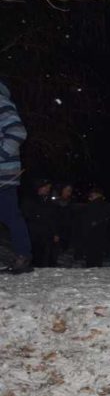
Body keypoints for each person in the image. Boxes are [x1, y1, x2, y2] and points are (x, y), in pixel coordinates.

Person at [0, 79, 31, 274]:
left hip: (4, 174)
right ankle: (21, 255)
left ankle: (23, 256)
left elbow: (18, 131)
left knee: (10, 215)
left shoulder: (1, 102)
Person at [21, 177, 60, 267]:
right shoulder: (30, 198)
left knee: (46, 258)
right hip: (33, 234)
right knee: (34, 256)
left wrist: (55, 233)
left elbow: (52, 218)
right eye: (46, 187)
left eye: (49, 188)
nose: (47, 189)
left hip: (46, 234)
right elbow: (27, 214)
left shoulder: (48, 201)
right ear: (39, 187)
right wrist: (38, 216)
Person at [77, 187, 110, 267]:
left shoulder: (94, 205)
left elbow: (86, 221)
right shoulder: (105, 205)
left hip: (92, 235)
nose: (90, 195)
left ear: (97, 194)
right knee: (97, 258)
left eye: (92, 194)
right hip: (100, 236)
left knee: (92, 258)